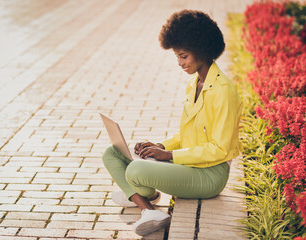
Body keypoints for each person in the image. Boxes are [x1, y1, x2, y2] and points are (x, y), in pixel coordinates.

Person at [102, 9, 242, 236]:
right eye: (176, 56)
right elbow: (185, 133)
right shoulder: (194, 83)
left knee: (136, 169)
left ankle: (140, 198)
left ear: (202, 51)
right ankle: (148, 205)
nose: (179, 63)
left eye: (183, 56)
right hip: (188, 166)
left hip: (210, 176)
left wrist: (170, 157)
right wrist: (161, 147)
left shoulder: (224, 91)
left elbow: (220, 149)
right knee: (112, 153)